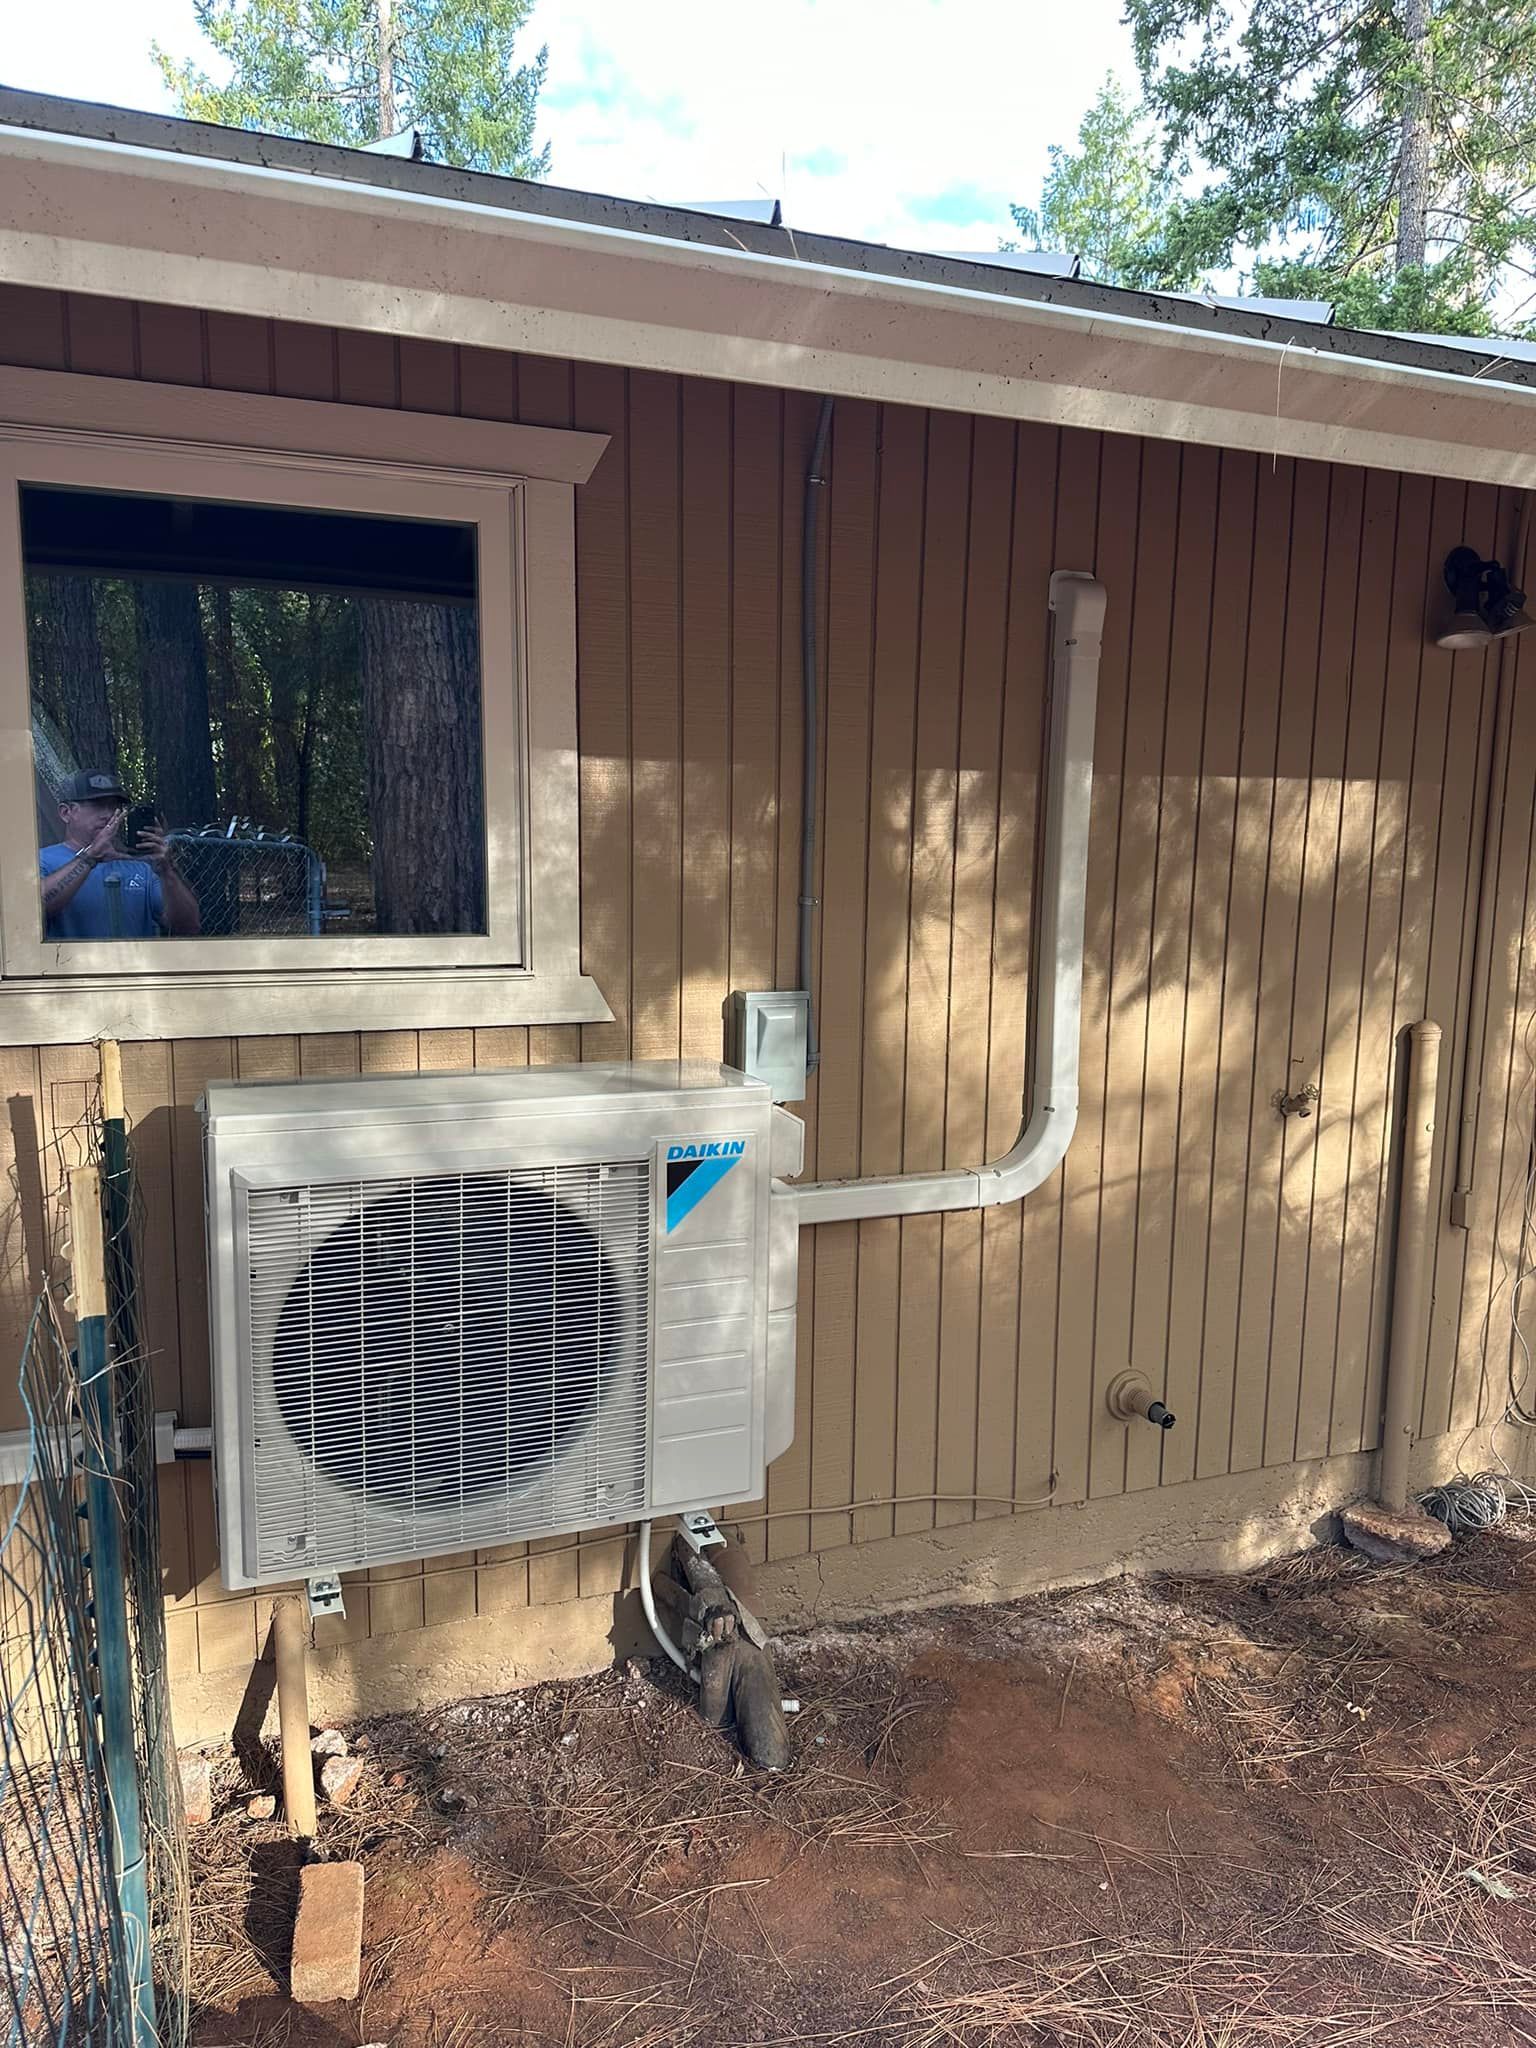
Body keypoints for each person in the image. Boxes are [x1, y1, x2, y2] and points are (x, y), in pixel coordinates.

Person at [39, 771, 201, 940]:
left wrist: (168, 871)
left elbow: (189, 927)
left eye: (114, 807)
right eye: (97, 805)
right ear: (66, 813)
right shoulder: (43, 860)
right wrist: (91, 855)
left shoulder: (141, 869)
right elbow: (35, 909)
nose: (108, 814)